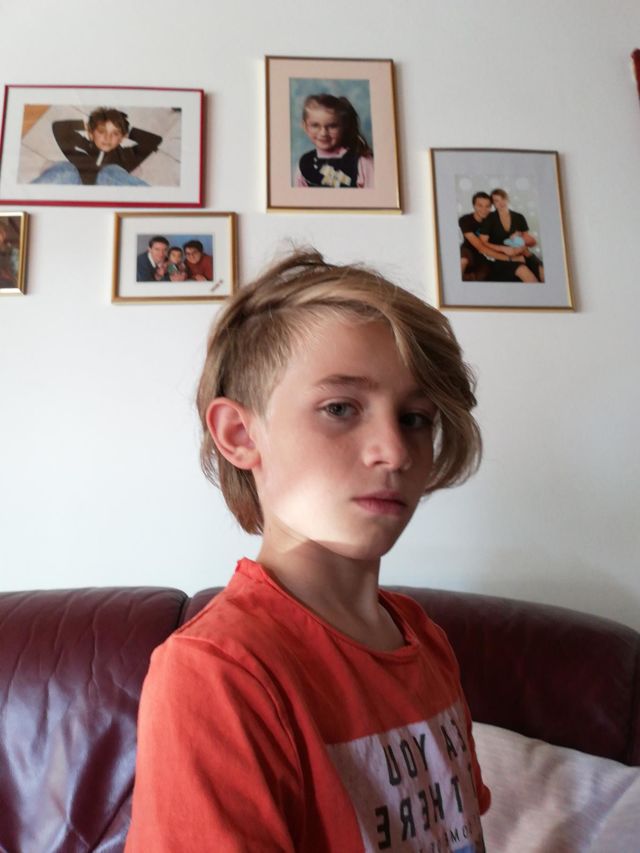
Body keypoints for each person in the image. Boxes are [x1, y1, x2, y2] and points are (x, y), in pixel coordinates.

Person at [125, 249, 490, 851]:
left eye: (415, 418)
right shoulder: (218, 672)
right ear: (240, 434)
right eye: (340, 409)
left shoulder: (424, 638)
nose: (394, 451)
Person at [32, 107, 162, 186]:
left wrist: (127, 132)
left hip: (106, 194)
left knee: (111, 172)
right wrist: (87, 126)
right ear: (91, 133)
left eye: (115, 133)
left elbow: (153, 140)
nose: (107, 138)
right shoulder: (83, 146)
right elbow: (59, 128)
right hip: (75, 186)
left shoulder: (126, 156)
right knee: (67, 170)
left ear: (121, 138)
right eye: (101, 131)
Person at [294, 94, 374, 189]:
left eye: (332, 126)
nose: (323, 133)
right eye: (315, 125)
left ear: (344, 126)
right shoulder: (305, 164)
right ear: (305, 126)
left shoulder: (362, 162)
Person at [478, 188, 545, 283]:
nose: (501, 203)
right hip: (503, 259)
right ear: (493, 204)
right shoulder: (490, 218)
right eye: (497, 200)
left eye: (503, 199)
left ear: (507, 199)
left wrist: (521, 240)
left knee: (543, 274)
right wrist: (502, 248)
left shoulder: (519, 217)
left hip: (523, 254)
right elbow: (483, 242)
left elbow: (529, 242)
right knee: (529, 277)